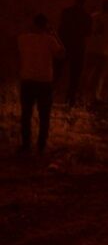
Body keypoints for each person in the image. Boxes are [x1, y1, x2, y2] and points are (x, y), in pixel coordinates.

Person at [18, 14, 64, 154]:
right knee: (44, 115)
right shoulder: (50, 40)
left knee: (26, 114)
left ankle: (26, 144)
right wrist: (54, 34)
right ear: (46, 26)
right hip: (44, 81)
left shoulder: (22, 39)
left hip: (27, 79)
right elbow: (61, 54)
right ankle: (41, 145)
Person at [58, 0, 92, 108]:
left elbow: (61, 28)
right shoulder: (87, 16)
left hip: (65, 44)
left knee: (58, 72)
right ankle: (71, 98)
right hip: (78, 47)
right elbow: (88, 33)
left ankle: (49, 95)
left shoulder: (66, 12)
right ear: (84, 2)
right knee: (75, 75)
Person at [87, 0, 108, 103]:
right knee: (99, 75)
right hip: (104, 50)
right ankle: (95, 95)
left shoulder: (93, 17)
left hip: (91, 47)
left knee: (87, 72)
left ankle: (81, 93)